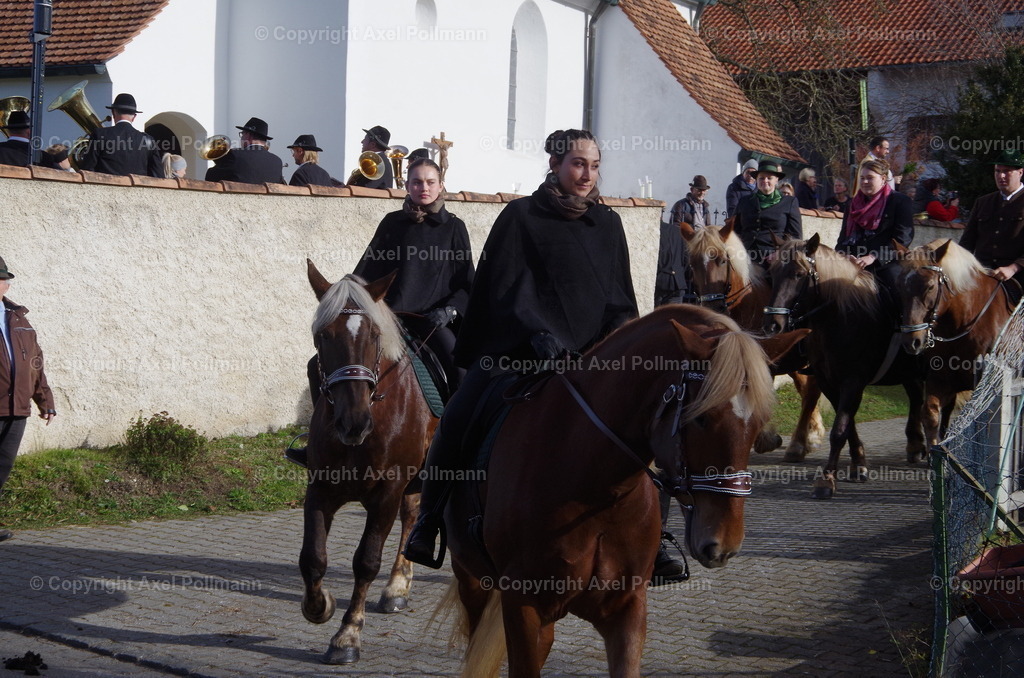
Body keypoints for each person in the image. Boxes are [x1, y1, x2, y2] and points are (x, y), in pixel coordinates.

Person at [402, 129, 685, 583]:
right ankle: (429, 521)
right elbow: (502, 287)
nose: (587, 175)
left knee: (649, 424)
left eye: (594, 166)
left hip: (591, 361)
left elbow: (619, 299)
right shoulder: (520, 216)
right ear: (554, 165)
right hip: (519, 354)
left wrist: (613, 345)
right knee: (457, 417)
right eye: (577, 164)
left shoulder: (608, 224)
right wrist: (536, 333)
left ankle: (659, 537)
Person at [287, 157, 475, 467]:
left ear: (441, 186)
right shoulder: (391, 223)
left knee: (460, 367)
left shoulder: (454, 227)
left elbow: (466, 282)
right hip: (388, 318)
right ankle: (319, 441)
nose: (423, 188)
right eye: (417, 182)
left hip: (430, 321)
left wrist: (451, 311)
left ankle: (460, 443)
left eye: (430, 182)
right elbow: (365, 274)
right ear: (407, 186)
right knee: (316, 365)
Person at [0, 256, 56, 543]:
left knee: (3, 465)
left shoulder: (19, 319)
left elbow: (35, 363)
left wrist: (45, 401)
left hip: (16, 407)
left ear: (6, 285)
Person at [835, 158, 913, 290]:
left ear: (883, 179)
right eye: (862, 178)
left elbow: (903, 239)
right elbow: (843, 239)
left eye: (870, 178)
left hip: (885, 264)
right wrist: (845, 256)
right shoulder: (852, 204)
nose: (864, 182)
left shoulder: (899, 201)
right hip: (852, 264)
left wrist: (873, 257)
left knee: (893, 290)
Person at [959, 149, 1024, 303]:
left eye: (1007, 171)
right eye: (997, 171)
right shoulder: (983, 202)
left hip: (1018, 277)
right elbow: (967, 242)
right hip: (981, 274)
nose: (1001, 176)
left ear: (1020, 172)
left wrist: (1013, 268)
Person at [733, 160, 802, 269]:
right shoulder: (744, 201)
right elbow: (735, 231)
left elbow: (796, 238)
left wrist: (779, 254)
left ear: (776, 180)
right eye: (761, 178)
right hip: (744, 255)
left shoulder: (789, 202)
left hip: (773, 259)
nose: (765, 181)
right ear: (756, 180)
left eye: (769, 178)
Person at [77, 94, 162, 177]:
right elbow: (158, 176)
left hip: (106, 189)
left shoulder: (99, 134)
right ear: (134, 117)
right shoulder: (148, 140)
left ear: (113, 113)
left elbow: (87, 170)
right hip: (137, 190)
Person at [204, 117, 285, 185]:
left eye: (242, 134)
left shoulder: (235, 155)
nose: (241, 138)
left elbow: (210, 177)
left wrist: (219, 161)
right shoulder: (277, 162)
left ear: (248, 135)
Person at [347, 125, 394, 190]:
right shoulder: (381, 161)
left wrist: (346, 189)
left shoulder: (378, 164)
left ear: (372, 144)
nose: (362, 141)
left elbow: (365, 189)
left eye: (365, 139)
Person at [655, 219, 688, 307]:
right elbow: (686, 258)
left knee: (655, 319)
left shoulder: (651, 230)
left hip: (658, 283)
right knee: (672, 318)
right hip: (677, 282)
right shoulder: (677, 231)